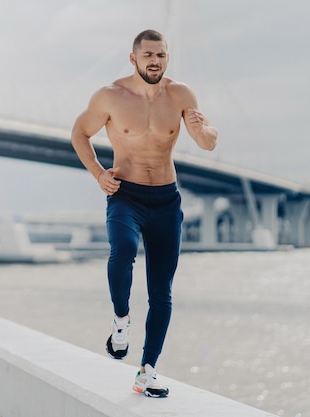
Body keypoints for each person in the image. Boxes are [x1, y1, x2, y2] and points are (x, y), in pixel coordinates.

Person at [71, 29, 218, 398]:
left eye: (162, 55)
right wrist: (99, 173)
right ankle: (121, 321)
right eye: (149, 55)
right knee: (121, 250)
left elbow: (208, 141)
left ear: (167, 58)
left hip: (167, 200)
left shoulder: (180, 94)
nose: (156, 61)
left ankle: (146, 371)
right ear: (133, 58)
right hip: (126, 194)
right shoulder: (110, 96)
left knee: (161, 292)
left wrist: (203, 131)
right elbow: (79, 133)